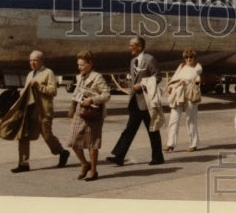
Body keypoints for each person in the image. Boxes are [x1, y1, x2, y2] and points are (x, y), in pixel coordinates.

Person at [11, 50, 69, 173]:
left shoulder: (48, 73)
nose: (32, 63)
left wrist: (39, 86)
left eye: (35, 60)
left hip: (43, 110)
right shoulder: (30, 74)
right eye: (30, 60)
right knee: (23, 136)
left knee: (47, 135)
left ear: (41, 61)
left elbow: (53, 91)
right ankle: (23, 163)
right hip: (30, 110)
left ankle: (62, 152)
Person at [110, 36, 165, 166]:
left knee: (152, 129)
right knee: (129, 129)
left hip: (146, 101)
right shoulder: (133, 61)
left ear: (139, 47)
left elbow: (158, 76)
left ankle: (158, 157)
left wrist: (142, 85)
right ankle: (119, 156)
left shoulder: (149, 59)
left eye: (132, 46)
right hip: (135, 100)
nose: (130, 48)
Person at [68, 50, 111, 181]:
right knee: (73, 141)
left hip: (93, 114)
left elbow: (107, 94)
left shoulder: (97, 77)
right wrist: (71, 109)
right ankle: (84, 164)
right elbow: (76, 95)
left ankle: (93, 170)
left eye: (82, 65)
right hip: (79, 112)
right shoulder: (79, 77)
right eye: (78, 65)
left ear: (90, 64)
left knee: (92, 143)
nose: (79, 67)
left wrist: (92, 100)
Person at [165, 49, 203, 152]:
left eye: (191, 57)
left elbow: (193, 76)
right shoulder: (181, 66)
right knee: (174, 119)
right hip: (179, 94)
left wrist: (184, 81)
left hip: (190, 94)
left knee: (191, 120)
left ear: (194, 58)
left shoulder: (197, 67)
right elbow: (174, 77)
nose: (188, 59)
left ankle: (193, 144)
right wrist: (171, 85)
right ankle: (170, 144)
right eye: (186, 57)